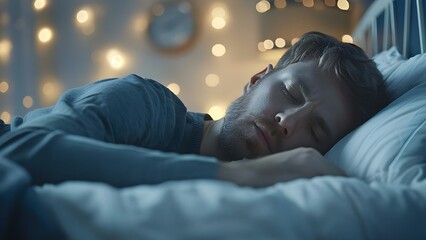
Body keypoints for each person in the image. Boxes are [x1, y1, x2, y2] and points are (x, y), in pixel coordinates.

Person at [0, 32, 387, 188]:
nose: (288, 121)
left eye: (317, 129)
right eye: (289, 92)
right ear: (255, 79)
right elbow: (18, 152)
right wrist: (244, 173)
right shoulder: (147, 103)